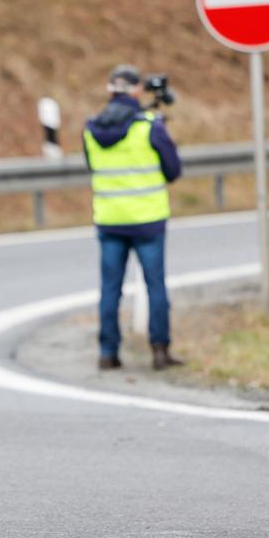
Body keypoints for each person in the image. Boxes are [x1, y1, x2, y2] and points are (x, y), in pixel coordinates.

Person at [83, 64, 184, 371]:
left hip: (110, 219)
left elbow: (92, 166)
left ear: (110, 90)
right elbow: (173, 170)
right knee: (155, 286)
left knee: (110, 289)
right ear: (138, 90)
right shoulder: (150, 126)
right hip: (148, 221)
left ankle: (107, 353)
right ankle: (160, 351)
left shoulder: (91, 128)